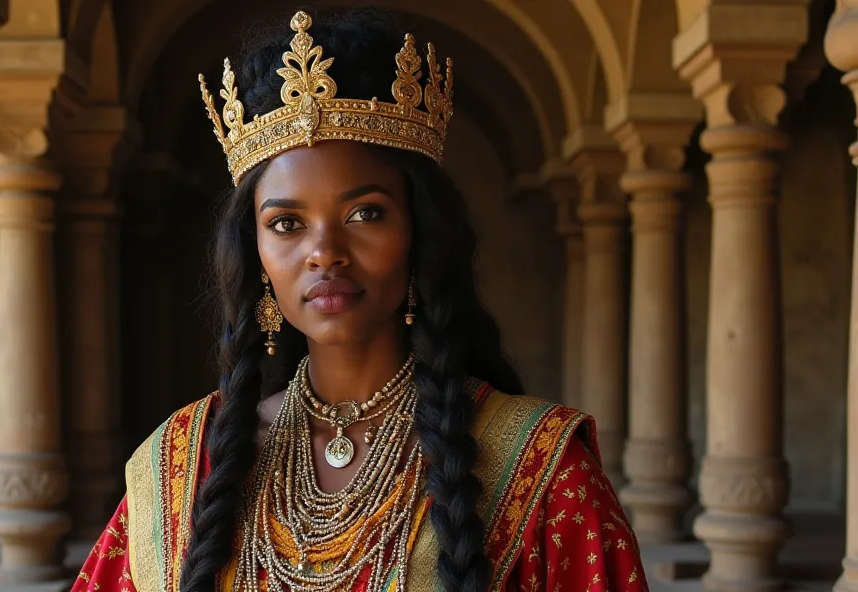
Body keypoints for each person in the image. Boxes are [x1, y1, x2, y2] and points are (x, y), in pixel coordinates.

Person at [72, 8, 647, 592]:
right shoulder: (181, 464)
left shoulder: (540, 469)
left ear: (420, 234)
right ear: (255, 254)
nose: (325, 252)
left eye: (365, 213)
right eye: (287, 223)